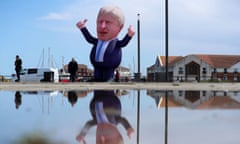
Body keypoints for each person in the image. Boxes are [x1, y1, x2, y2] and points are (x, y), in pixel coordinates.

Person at [76, 5, 135, 82]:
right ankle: (97, 78)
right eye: (100, 22)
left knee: (107, 77)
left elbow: (123, 43)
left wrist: (129, 35)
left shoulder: (115, 43)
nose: (102, 26)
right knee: (97, 76)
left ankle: (109, 78)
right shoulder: (97, 41)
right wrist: (83, 28)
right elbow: (89, 38)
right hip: (97, 66)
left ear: (120, 27)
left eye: (108, 22)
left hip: (109, 68)